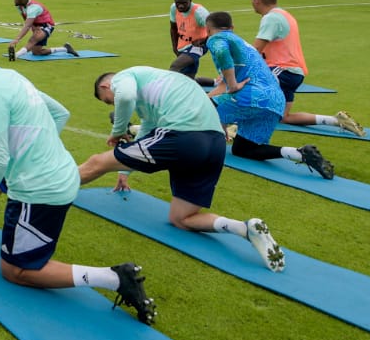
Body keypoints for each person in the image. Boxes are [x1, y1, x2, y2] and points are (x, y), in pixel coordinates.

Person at [0, 31, 154, 324]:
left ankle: (114, 277)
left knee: (15, 270)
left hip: (40, 192)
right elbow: (60, 113)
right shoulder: (11, 76)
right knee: (7, 171)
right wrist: (33, 150)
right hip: (62, 174)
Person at [78, 65, 287, 271]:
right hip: (214, 145)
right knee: (182, 218)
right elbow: (147, 130)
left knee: (97, 162)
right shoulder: (158, 89)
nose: (113, 103)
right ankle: (244, 228)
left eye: (109, 100)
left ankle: (53, 189)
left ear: (107, 85)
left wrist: (119, 130)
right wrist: (124, 172)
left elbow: (124, 97)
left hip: (184, 136)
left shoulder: (124, 76)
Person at [203, 9, 336, 180]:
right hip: (275, 102)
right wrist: (211, 103)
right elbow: (223, 87)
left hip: (253, 97)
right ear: (232, 27)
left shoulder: (217, 38)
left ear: (207, 29)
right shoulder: (242, 45)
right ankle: (299, 154)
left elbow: (221, 53)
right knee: (243, 149)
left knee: (203, 110)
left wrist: (230, 88)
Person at [249, 0, 363, 136]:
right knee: (284, 117)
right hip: (295, 73)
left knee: (246, 85)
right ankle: (336, 121)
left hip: (283, 70)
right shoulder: (284, 14)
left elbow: (256, 49)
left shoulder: (271, 18)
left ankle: (230, 126)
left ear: (257, 0)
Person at [7, 0, 78, 60]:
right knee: (37, 52)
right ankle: (65, 49)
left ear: (22, 1)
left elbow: (27, 25)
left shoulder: (33, 8)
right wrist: (34, 28)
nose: (14, 0)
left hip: (46, 26)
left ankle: (16, 55)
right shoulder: (19, 6)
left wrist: (17, 39)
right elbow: (26, 19)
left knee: (33, 40)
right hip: (36, 25)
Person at [167, 0, 210, 77]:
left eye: (184, 3)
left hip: (199, 45)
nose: (180, 6)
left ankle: (165, 89)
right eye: (178, 3)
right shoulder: (174, 8)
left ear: (190, 1)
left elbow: (215, 30)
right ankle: (210, 83)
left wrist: (202, 41)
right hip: (183, 44)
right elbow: (173, 28)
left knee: (175, 66)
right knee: (187, 75)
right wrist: (175, 48)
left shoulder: (200, 12)